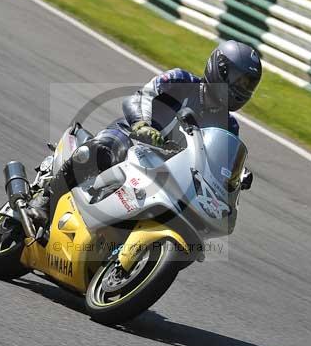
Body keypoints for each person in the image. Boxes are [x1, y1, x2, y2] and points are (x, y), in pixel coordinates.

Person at [25, 40, 262, 229]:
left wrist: (236, 176)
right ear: (219, 69)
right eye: (239, 80)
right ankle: (45, 200)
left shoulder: (229, 126)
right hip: (131, 139)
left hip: (168, 171)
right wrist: (141, 125)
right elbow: (141, 97)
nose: (242, 89)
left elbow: (219, 158)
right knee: (100, 150)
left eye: (248, 85)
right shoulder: (180, 81)